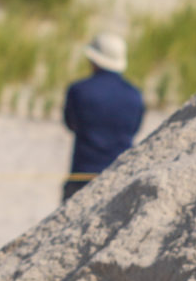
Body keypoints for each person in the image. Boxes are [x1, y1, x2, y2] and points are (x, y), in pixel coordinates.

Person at [60, 33, 144, 203]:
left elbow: (70, 123)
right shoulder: (135, 95)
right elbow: (134, 129)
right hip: (120, 175)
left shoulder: (79, 90)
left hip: (82, 173)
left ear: (93, 60)